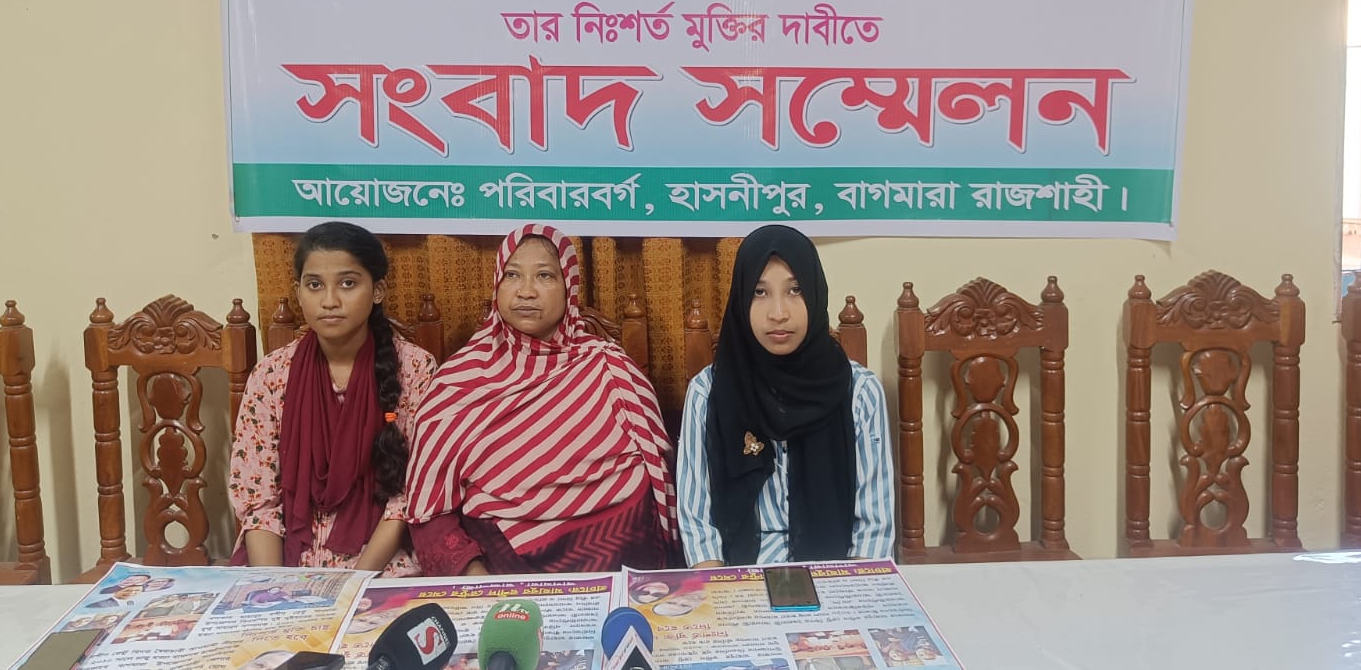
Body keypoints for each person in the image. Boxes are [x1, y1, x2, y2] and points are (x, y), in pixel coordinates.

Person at [403, 223, 677, 575]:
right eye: (512, 275)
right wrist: (479, 585)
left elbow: (659, 479)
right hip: (503, 573)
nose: (526, 291)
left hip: (622, 563)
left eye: (545, 276)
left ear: (569, 289)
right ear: (497, 285)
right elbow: (430, 515)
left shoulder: (610, 368)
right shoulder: (457, 382)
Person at [677, 224, 894, 566]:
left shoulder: (859, 392)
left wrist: (843, 594)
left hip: (834, 575)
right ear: (740, 300)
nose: (778, 313)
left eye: (795, 290)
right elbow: (698, 527)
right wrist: (721, 591)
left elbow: (873, 530)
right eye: (760, 292)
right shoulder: (707, 393)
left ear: (816, 293)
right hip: (738, 577)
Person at [229, 221, 436, 575]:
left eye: (348, 283)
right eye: (314, 285)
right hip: (286, 561)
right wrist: (272, 586)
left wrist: (353, 584)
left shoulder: (415, 370)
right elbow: (258, 500)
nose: (329, 301)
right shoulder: (271, 374)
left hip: (382, 564)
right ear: (298, 292)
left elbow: (409, 497)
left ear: (378, 290)